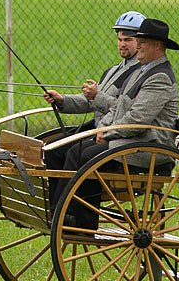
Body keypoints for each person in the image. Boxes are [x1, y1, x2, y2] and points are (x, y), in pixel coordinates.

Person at [56, 17, 179, 229]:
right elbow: (119, 108)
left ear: (157, 45)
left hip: (147, 146)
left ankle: (77, 220)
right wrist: (104, 127)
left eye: (142, 41)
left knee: (84, 155)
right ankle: (62, 213)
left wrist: (108, 132)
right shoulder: (142, 70)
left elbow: (137, 119)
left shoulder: (159, 77)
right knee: (72, 149)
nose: (137, 45)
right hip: (130, 138)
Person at [42, 10, 145, 170]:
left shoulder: (140, 73)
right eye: (119, 39)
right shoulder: (113, 70)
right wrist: (62, 99)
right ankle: (56, 195)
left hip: (112, 134)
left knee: (73, 154)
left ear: (140, 42)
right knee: (53, 148)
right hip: (95, 129)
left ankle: (70, 195)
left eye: (127, 40)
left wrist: (97, 96)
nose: (122, 44)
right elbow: (90, 101)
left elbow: (126, 110)